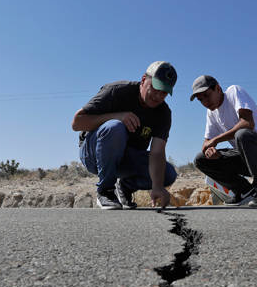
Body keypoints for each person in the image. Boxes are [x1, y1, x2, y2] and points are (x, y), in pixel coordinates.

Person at [72, 61, 178, 210]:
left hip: (127, 159)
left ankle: (125, 187)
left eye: (164, 92)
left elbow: (157, 152)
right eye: (155, 88)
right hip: (93, 153)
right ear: (143, 80)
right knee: (115, 127)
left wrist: (157, 186)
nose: (158, 96)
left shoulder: (163, 113)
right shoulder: (117, 91)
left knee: (168, 174)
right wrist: (117, 116)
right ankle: (105, 191)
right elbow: (76, 123)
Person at [190, 75, 257, 206]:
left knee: (243, 134)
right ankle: (244, 191)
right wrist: (210, 151)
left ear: (218, 88)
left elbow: (247, 123)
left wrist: (215, 140)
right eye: (200, 100)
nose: (205, 102)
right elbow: (207, 142)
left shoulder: (233, 92)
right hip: (248, 159)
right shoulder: (211, 112)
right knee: (201, 159)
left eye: (207, 95)